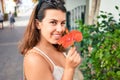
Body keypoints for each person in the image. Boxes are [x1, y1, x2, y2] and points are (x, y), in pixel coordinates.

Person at [19, 0, 82, 80]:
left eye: (62, 23)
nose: (60, 29)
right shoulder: (34, 60)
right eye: (53, 22)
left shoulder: (58, 47)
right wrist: (69, 69)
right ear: (38, 24)